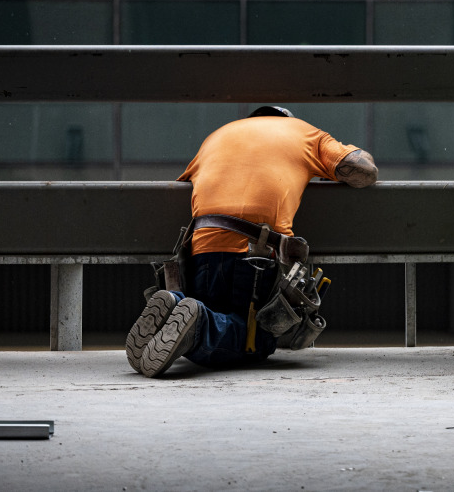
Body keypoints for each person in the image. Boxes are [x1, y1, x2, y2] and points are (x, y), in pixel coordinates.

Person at [126, 105, 378, 377]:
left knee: (222, 317)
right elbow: (363, 171)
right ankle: (200, 322)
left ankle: (177, 302)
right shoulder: (305, 133)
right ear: (286, 121)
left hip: (200, 251)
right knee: (254, 342)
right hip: (256, 256)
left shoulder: (217, 136)